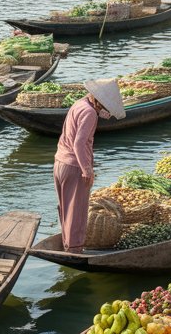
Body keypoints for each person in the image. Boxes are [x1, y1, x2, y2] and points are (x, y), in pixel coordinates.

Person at [53, 79, 126, 253]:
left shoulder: (80, 104)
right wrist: (87, 170)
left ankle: (67, 244)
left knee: (66, 208)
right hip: (74, 167)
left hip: (60, 163)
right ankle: (75, 250)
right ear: (100, 101)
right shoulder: (90, 113)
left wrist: (101, 113)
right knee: (77, 211)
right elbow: (79, 144)